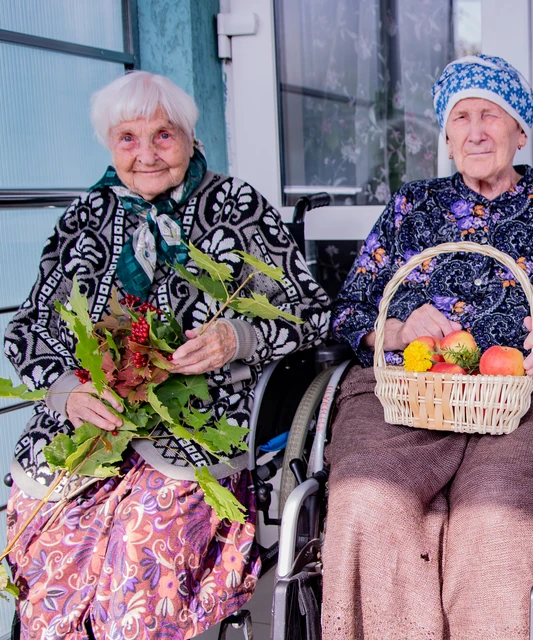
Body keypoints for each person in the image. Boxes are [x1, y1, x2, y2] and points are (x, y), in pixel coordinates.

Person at [2, 71, 330, 639]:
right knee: (54, 554)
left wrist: (239, 338)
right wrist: (67, 391)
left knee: (138, 555)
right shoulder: (87, 217)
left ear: (189, 137)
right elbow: (30, 326)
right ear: (109, 143)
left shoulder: (235, 205)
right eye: (128, 138)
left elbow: (312, 310)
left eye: (163, 135)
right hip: (90, 432)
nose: (147, 154)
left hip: (197, 430)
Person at [325, 54, 533, 639]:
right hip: (407, 392)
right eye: (462, 117)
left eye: (492, 117)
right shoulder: (411, 207)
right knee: (369, 495)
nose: (476, 131)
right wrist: (396, 332)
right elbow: (346, 312)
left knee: (492, 518)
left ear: (520, 131)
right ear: (445, 136)